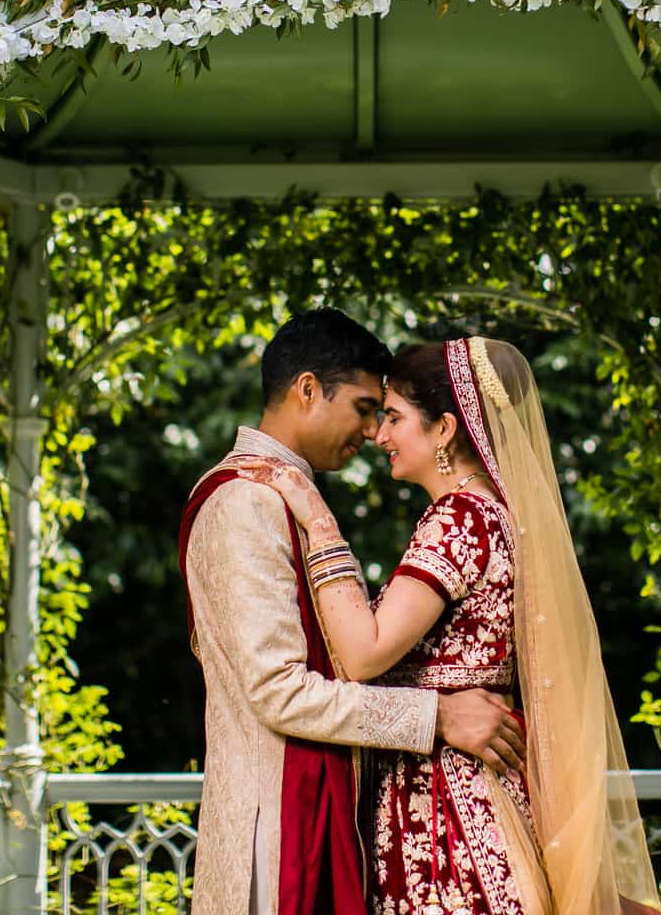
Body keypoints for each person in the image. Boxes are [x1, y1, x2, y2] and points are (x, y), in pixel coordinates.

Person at [257, 337, 661, 915]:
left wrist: (320, 525)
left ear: (444, 429)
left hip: (447, 813)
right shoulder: (495, 513)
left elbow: (364, 655)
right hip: (475, 786)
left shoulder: (459, 518)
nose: (379, 435)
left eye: (394, 417)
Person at [179, 310, 528, 915]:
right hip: (278, 820)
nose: (373, 432)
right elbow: (278, 691)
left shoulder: (279, 495)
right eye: (368, 408)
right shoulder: (247, 503)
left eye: (387, 415)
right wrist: (437, 715)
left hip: (336, 811)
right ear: (309, 389)